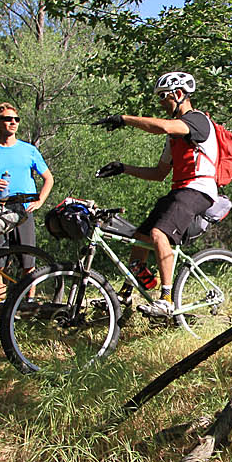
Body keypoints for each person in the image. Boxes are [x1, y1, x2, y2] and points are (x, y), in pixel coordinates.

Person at [93, 71, 217, 318]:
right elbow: (159, 173)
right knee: (139, 238)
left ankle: (167, 300)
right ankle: (126, 294)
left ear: (179, 94)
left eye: (163, 97)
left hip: (199, 190)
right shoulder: (174, 137)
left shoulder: (197, 121)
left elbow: (162, 126)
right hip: (179, 190)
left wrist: (124, 119)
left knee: (159, 234)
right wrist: (123, 168)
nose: (161, 103)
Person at [0, 102, 54, 296]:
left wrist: (40, 201)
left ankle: (28, 301)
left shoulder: (29, 150)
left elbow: (49, 178)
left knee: (28, 260)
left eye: (16, 119)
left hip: (23, 210)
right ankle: (1, 303)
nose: (13, 123)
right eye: (8, 119)